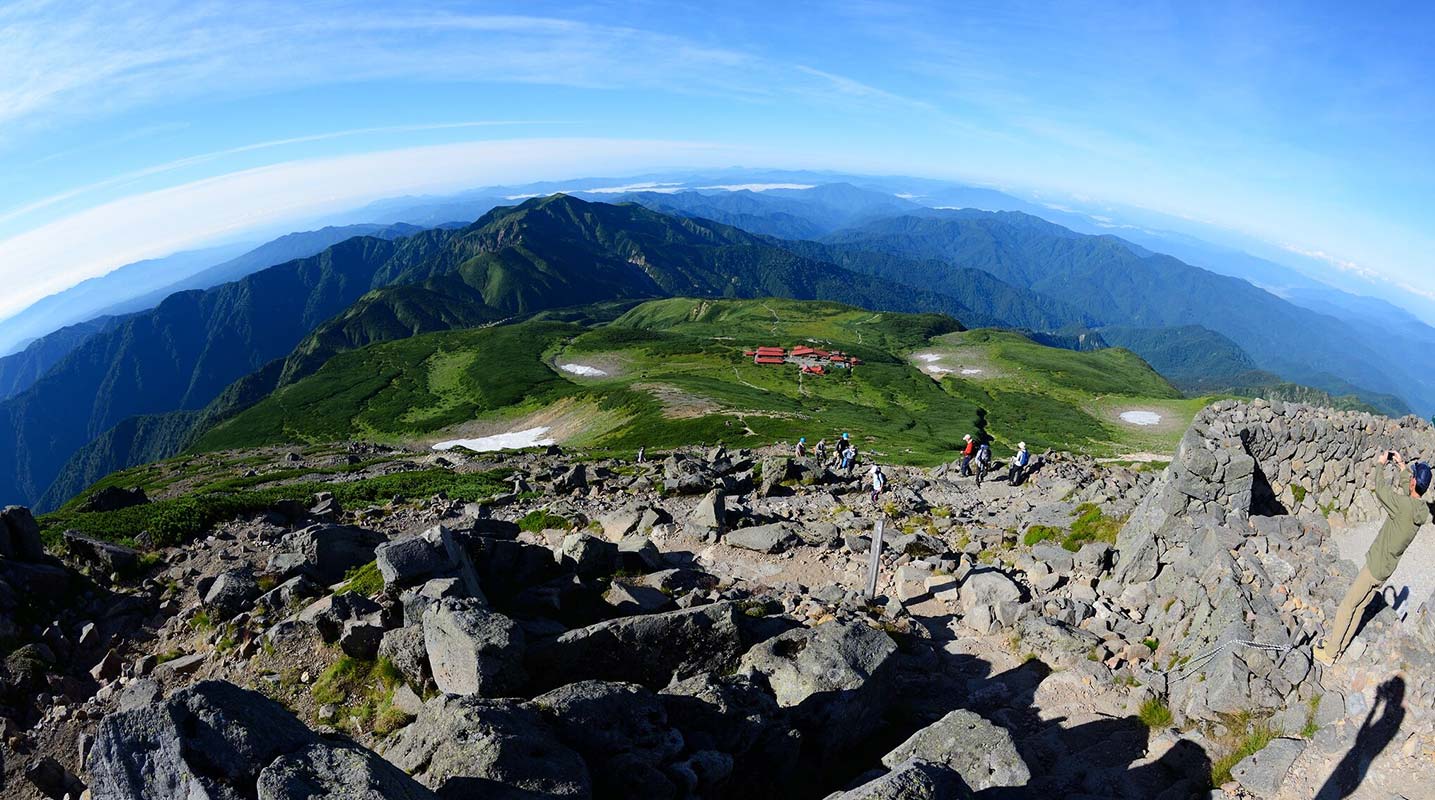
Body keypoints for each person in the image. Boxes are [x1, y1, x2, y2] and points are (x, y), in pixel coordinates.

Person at [1314, 451, 1432, 665]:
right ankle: (1340, 648)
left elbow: (1381, 490)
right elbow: (1410, 492)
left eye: (1412, 476)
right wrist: (1402, 466)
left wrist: (1380, 466)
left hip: (1374, 566)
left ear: (1414, 481)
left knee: (1346, 606)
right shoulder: (1420, 510)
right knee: (1360, 607)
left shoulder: (1403, 506)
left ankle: (1329, 654)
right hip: (1386, 570)